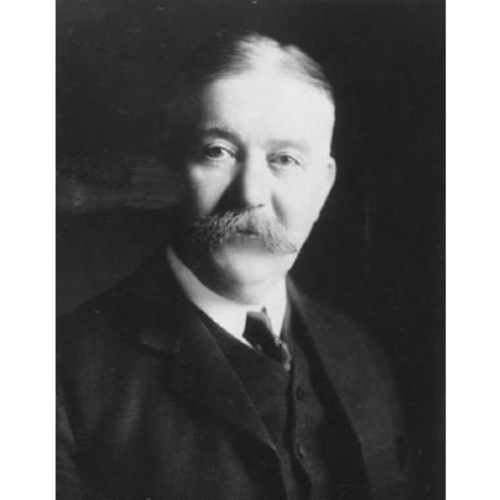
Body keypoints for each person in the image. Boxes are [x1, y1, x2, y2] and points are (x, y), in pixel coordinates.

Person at [57, 32, 411, 500]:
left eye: (285, 159)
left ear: (322, 187)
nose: (249, 193)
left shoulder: (359, 354)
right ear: (171, 166)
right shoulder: (58, 375)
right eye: (218, 151)